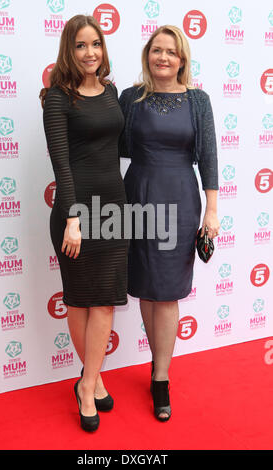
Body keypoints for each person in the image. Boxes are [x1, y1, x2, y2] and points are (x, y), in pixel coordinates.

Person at [119, 25, 220, 422]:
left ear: (182, 59)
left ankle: (160, 375)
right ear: (147, 55)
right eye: (156, 50)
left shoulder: (198, 100)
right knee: (148, 284)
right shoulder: (130, 98)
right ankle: (156, 363)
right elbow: (109, 141)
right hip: (139, 195)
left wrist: (211, 210)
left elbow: (209, 156)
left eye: (171, 52)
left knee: (170, 289)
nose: (163, 58)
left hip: (180, 198)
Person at [40, 15, 128, 432]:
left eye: (95, 43)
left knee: (106, 301)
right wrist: (73, 219)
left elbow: (119, 148)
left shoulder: (110, 92)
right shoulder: (57, 97)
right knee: (79, 300)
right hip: (76, 210)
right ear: (68, 50)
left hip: (114, 207)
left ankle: (87, 382)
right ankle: (90, 384)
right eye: (80, 45)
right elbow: (62, 163)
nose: (90, 52)